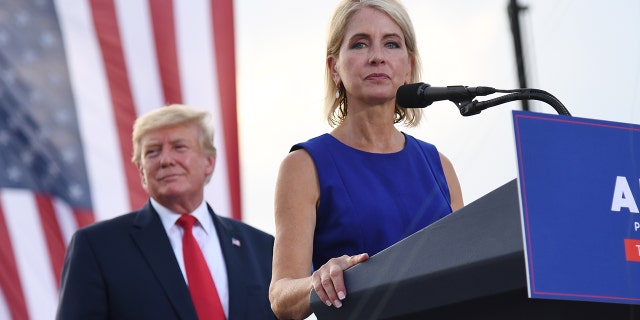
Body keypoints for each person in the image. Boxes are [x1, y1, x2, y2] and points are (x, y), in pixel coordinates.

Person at [269, 0, 464, 319]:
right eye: (360, 44)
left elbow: (468, 268)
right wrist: (318, 282)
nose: (377, 56)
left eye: (391, 44)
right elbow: (281, 298)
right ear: (334, 67)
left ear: (408, 65)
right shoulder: (304, 165)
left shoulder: (439, 165)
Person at [56, 104, 277, 319]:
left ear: (209, 162)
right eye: (152, 152)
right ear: (142, 172)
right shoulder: (97, 247)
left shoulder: (263, 249)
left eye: (179, 147)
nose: (166, 160)